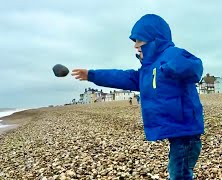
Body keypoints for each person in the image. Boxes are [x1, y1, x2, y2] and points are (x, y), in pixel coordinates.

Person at [71, 14, 204, 180]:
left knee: (180, 173)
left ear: (153, 39)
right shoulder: (146, 71)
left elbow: (195, 67)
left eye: (139, 40)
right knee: (177, 170)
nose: (135, 46)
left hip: (186, 131)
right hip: (177, 131)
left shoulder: (172, 54)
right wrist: (92, 75)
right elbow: (121, 77)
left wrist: (171, 68)